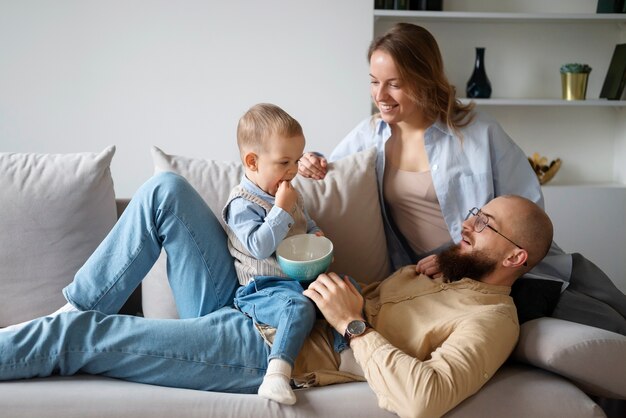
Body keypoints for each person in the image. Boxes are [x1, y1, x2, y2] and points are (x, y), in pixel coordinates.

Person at [0, 165, 552, 417]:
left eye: (483, 224)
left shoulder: (492, 322)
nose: (467, 225)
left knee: (81, 337)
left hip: (267, 345)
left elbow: (425, 398)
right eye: (474, 213)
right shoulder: (444, 271)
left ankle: (58, 331)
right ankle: (73, 304)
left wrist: (351, 324)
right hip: (260, 297)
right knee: (166, 191)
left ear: (515, 258)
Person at [297, 22, 626, 330]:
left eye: (394, 84)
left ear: (425, 79)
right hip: (445, 283)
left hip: (511, 267)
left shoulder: (480, 132)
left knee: (611, 313)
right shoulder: (369, 135)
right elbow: (333, 171)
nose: (380, 95)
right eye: (373, 81)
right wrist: (310, 162)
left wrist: (461, 257)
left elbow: (527, 208)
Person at [223, 103, 322, 405]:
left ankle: (349, 355)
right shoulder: (242, 204)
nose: (292, 171)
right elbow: (259, 246)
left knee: (344, 287)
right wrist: (280, 209)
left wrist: (316, 234)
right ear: (252, 161)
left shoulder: (289, 190)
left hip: (297, 281)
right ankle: (276, 374)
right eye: (283, 162)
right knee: (299, 307)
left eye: (296, 160)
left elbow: (305, 221)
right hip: (260, 290)